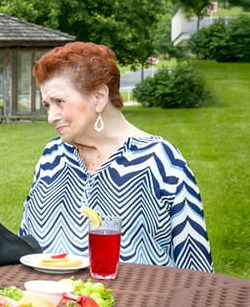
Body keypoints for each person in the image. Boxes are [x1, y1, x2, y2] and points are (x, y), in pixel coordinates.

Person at [19, 41, 213, 272]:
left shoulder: (160, 161)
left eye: (59, 101)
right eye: (47, 105)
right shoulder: (53, 156)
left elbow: (196, 266)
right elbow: (26, 246)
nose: (51, 116)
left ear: (100, 97)